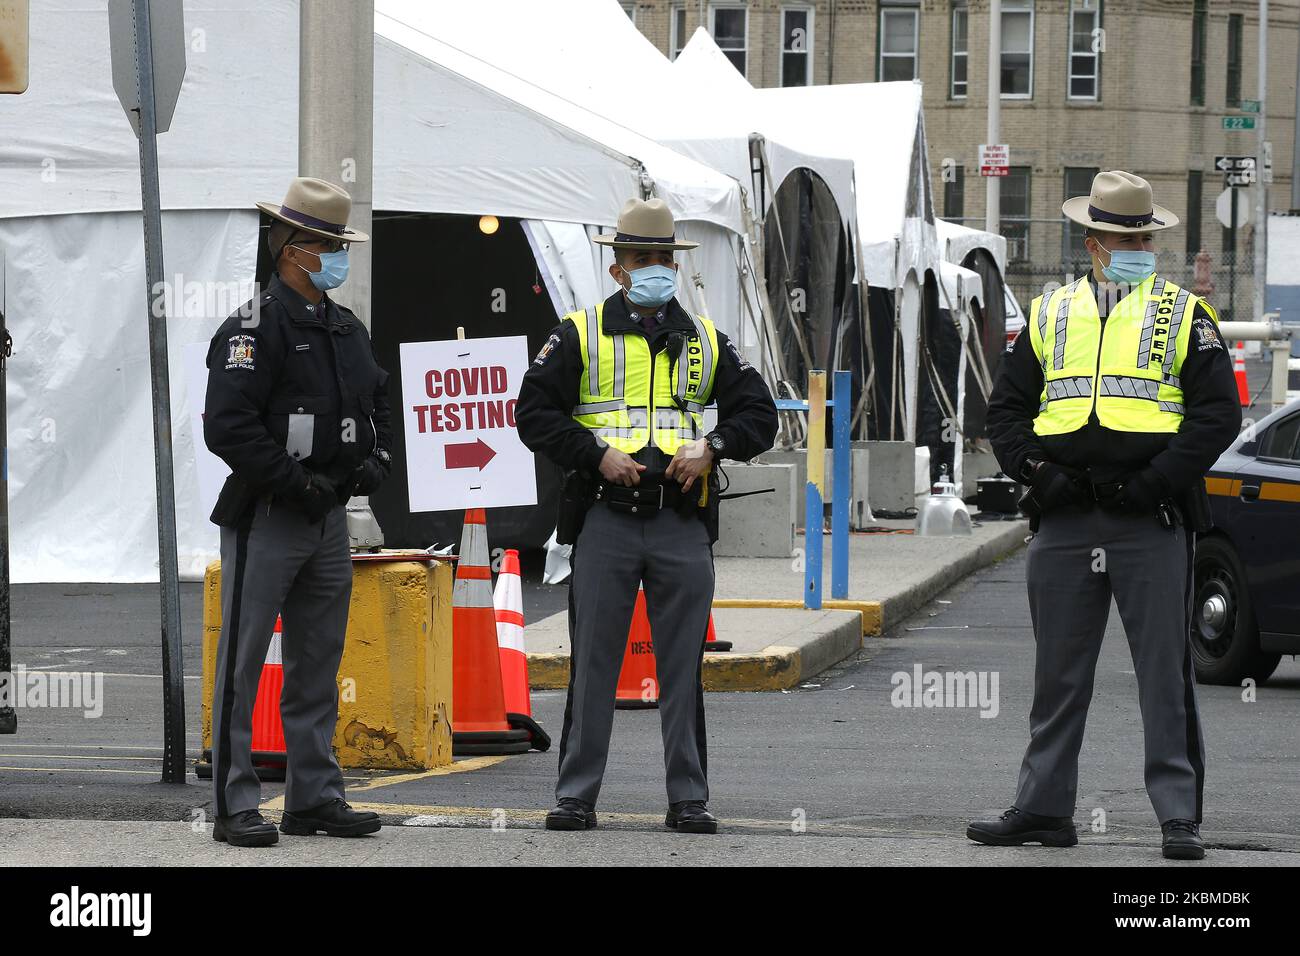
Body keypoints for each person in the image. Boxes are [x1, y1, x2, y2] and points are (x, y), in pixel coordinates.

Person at [969, 171, 1241, 860]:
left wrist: (1155, 483)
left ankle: (1178, 817)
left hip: (1148, 520)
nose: (1134, 248)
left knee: (1163, 675)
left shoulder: (1184, 314)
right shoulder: (1051, 312)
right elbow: (1004, 410)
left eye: (1143, 237)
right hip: (1063, 518)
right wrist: (1034, 472)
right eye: (1122, 238)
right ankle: (1043, 810)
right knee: (1058, 675)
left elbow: (1217, 417)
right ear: (1091, 243)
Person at [516, 198, 777, 834]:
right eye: (642, 259)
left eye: (664, 257)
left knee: (682, 665)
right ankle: (576, 796)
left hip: (680, 522)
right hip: (606, 517)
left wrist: (711, 447)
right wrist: (595, 454)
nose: (655, 268)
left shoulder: (708, 342)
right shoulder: (578, 334)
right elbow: (532, 413)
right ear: (618, 269)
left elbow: (761, 416)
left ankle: (688, 798)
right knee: (595, 663)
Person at [204, 177, 393, 847]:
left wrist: (376, 462)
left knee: (318, 661)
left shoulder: (345, 327)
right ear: (290, 249)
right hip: (270, 515)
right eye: (326, 244)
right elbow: (228, 427)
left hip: (327, 519)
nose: (337, 257)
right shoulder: (254, 327)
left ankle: (313, 797)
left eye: (340, 244)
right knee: (243, 662)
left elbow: (376, 406)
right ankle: (233, 803)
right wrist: (293, 482)